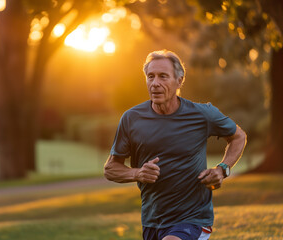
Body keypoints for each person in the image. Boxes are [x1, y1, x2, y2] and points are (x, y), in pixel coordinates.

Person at [104, 50, 247, 240]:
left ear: (179, 81)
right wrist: (137, 173)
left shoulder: (202, 114)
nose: (155, 83)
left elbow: (239, 136)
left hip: (193, 217)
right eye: (150, 76)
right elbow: (111, 169)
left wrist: (222, 169)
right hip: (152, 219)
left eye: (163, 76)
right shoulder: (131, 119)